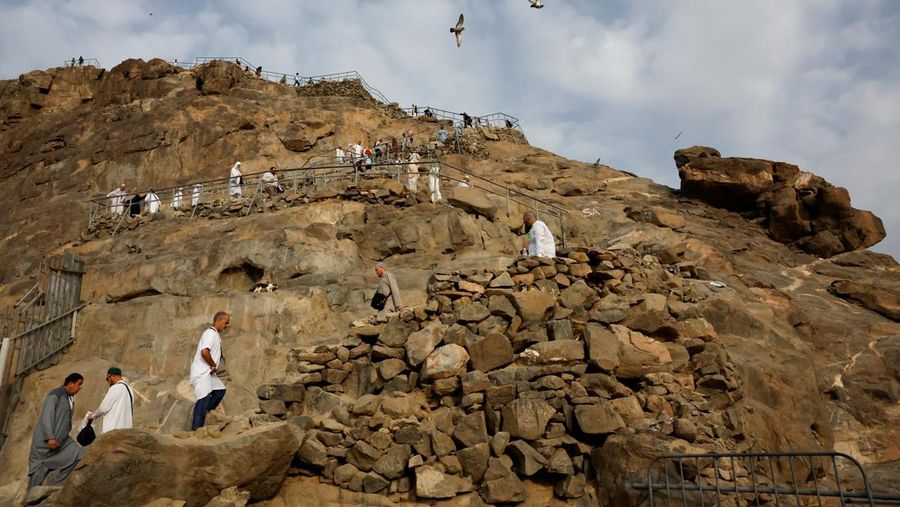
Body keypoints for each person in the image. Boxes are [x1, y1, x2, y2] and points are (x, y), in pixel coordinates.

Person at [28, 373, 85, 489]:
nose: (80, 388)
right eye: (79, 384)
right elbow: (46, 416)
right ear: (70, 383)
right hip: (46, 444)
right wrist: (50, 437)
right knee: (38, 472)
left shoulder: (69, 398)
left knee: (78, 452)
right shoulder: (56, 394)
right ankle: (30, 499)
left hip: (62, 443)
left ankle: (56, 486)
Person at [190, 312, 230, 430]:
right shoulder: (210, 334)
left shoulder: (215, 334)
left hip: (209, 373)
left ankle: (206, 413)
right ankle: (196, 430)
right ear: (218, 320)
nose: (226, 325)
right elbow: (204, 352)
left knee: (220, 391)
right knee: (203, 400)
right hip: (202, 372)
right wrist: (213, 365)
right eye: (225, 322)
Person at [87, 367, 133, 434]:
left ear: (112, 377)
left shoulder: (115, 388)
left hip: (113, 431)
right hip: (126, 431)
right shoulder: (130, 390)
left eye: (107, 379)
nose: (108, 382)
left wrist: (93, 415)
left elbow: (103, 408)